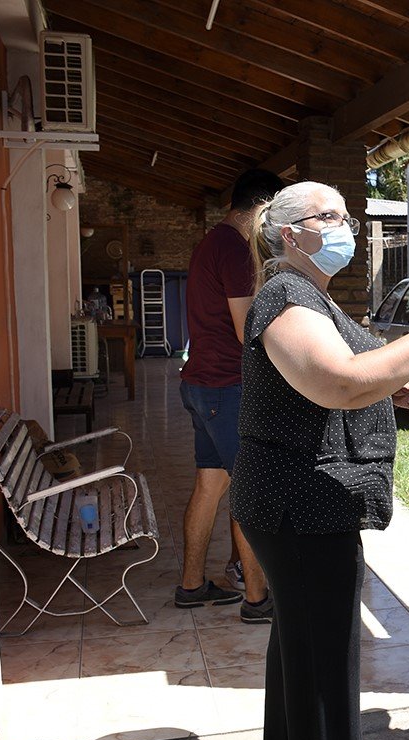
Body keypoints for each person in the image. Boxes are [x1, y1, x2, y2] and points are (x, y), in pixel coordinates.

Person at [229, 181, 409, 740]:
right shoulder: (287, 293)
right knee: (327, 657)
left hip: (298, 500)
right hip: (299, 502)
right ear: (292, 233)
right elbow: (334, 381)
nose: (348, 226)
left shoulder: (309, 295)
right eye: (331, 216)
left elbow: (330, 372)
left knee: (299, 638)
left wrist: (389, 387)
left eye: (349, 215)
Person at [175, 168, 282, 623]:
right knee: (249, 490)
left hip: (200, 382)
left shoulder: (209, 242)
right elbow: (246, 331)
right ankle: (257, 598)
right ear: (261, 207)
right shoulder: (236, 251)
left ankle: (191, 585)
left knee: (211, 483)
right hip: (227, 388)